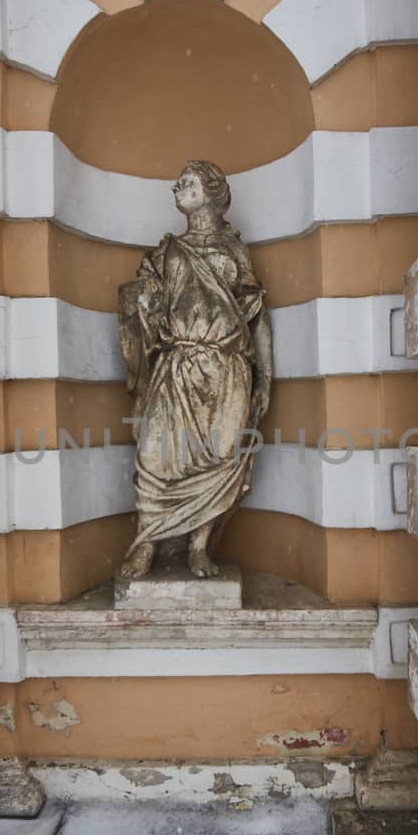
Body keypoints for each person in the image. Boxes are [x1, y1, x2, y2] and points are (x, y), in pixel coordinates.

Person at [117, 160, 273, 580]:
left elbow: (257, 317)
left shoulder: (234, 251)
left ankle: (199, 548)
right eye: (179, 183)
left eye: (186, 183)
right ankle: (146, 543)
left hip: (227, 367)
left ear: (211, 191)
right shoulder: (166, 251)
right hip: (176, 365)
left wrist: (267, 379)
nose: (175, 187)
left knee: (220, 456)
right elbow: (143, 309)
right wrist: (140, 304)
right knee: (155, 454)